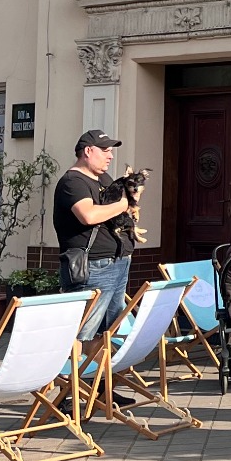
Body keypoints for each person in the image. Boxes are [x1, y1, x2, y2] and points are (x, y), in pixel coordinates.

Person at [53, 131, 138, 332]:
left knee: (109, 329)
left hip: (118, 261)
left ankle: (100, 364)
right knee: (85, 330)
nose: (111, 156)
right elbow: (89, 215)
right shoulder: (73, 182)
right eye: (106, 150)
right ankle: (77, 363)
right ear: (88, 151)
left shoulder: (104, 179)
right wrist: (124, 204)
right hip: (93, 266)